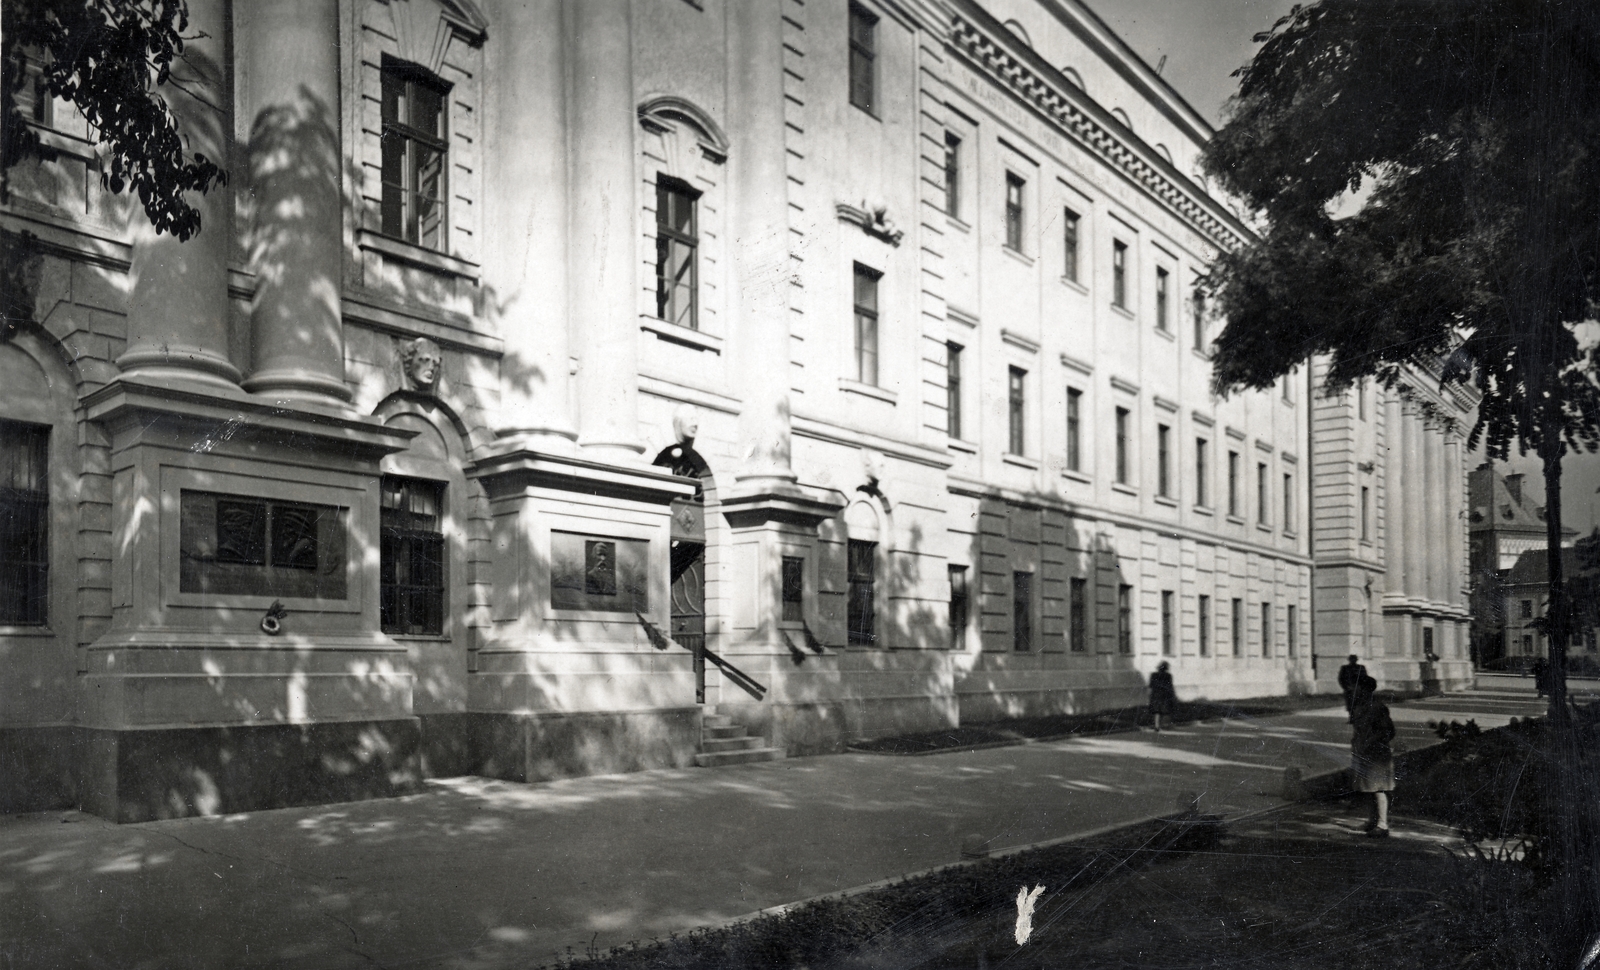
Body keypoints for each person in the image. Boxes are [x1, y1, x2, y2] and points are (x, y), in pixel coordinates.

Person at [1349, 674, 1396, 837]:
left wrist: (1370, 742)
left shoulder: (1378, 707)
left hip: (1377, 754)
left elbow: (1388, 731)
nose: (1355, 690)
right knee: (1368, 788)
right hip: (1364, 753)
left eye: (1358, 687)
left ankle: (1383, 824)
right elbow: (1358, 730)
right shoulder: (1360, 707)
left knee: (1379, 789)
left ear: (1366, 689)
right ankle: (1372, 821)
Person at [1148, 661, 1177, 734]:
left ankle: (1157, 725)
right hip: (1164, 695)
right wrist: (1173, 695)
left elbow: (1151, 685)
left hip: (1155, 694)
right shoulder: (1168, 675)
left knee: (1156, 710)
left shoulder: (1153, 675)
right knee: (1162, 710)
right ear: (1166, 668)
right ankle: (1159, 725)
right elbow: (1170, 686)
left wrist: (1149, 695)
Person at [1338, 654, 1368, 722]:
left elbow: (1365, 678)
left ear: (1356, 660)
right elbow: (1341, 679)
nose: (1353, 661)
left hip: (1359, 688)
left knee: (1359, 703)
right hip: (1349, 688)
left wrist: (1362, 687)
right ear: (1349, 660)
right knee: (1349, 703)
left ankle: (1359, 717)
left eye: (1354, 659)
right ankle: (1351, 717)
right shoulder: (1345, 668)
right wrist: (1345, 687)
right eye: (1351, 659)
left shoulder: (1361, 667)